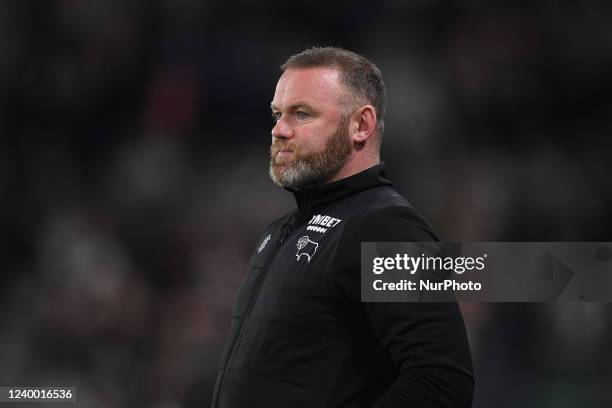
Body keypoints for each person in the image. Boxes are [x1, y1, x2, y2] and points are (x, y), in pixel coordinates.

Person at [211, 47, 474, 408]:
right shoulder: (280, 231)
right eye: (277, 115)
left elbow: (440, 381)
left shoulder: (385, 227)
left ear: (361, 125)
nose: (279, 130)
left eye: (301, 114)